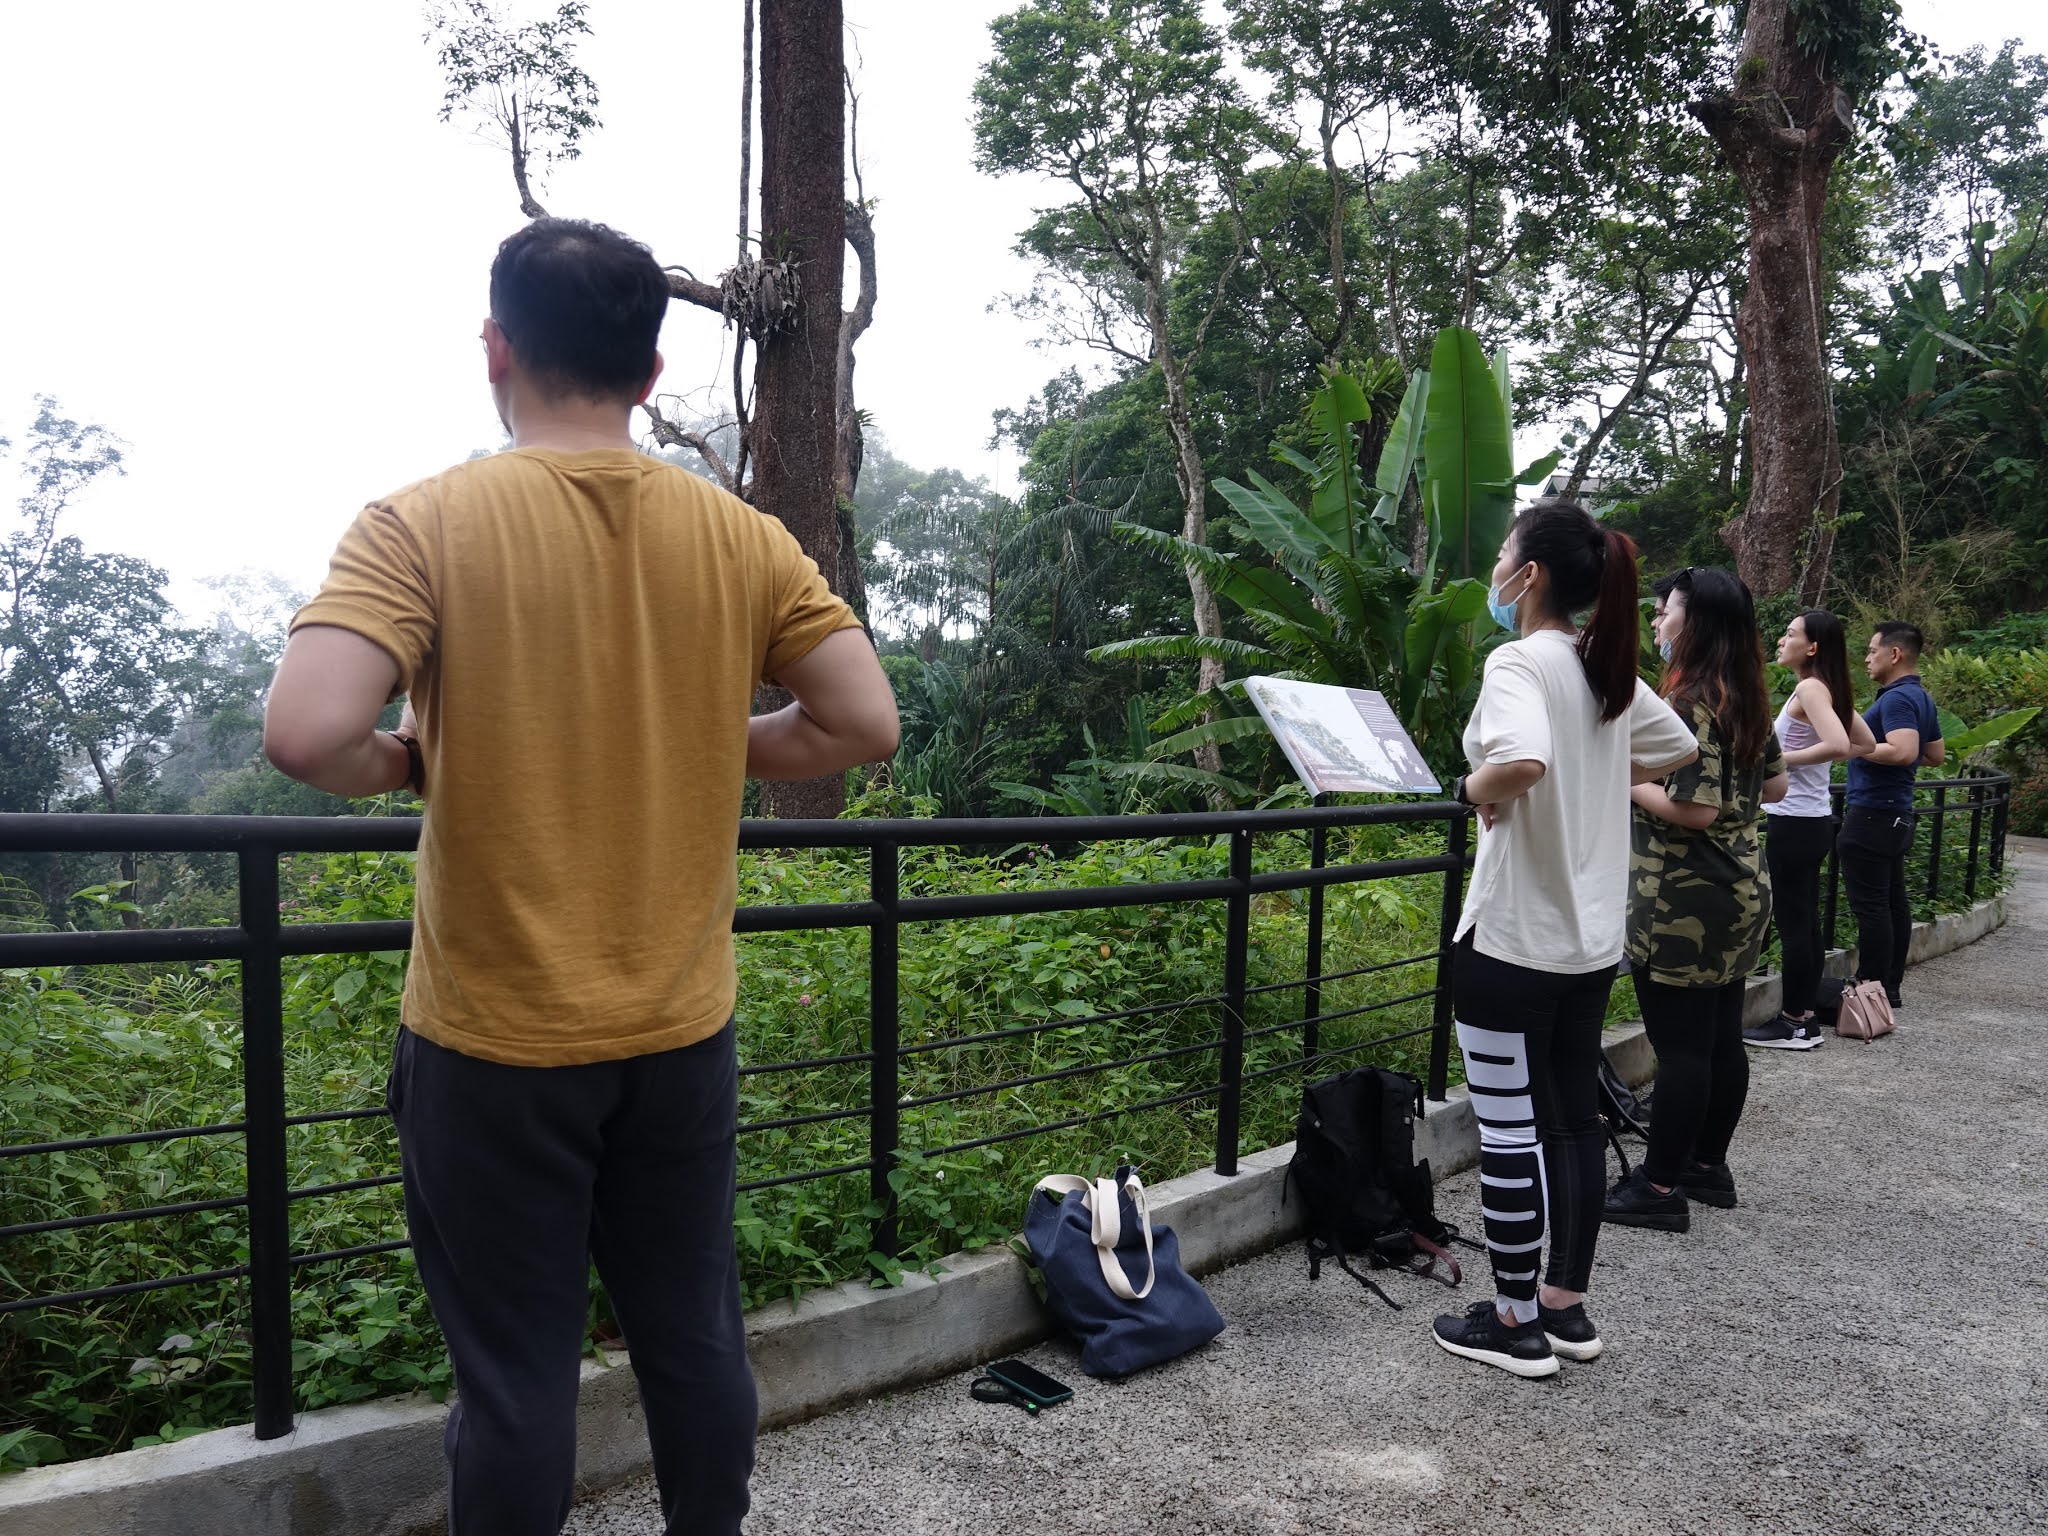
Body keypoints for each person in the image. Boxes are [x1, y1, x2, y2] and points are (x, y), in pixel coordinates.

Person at [263, 218, 900, 1536]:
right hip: (680, 1034)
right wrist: (694, 734)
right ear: (654, 372)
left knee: (514, 1383)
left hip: (491, 1045)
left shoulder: (422, 523)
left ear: (496, 348)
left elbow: (309, 732)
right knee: (693, 1339)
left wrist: (417, 759)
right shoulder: (740, 538)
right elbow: (860, 725)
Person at [1430, 501, 1697, 1380]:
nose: (1497, 572)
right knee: (1574, 1126)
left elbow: (1522, 764)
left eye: (1504, 555)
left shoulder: (1519, 660)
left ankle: (1509, 1322)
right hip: (1587, 946)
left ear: (1530, 575)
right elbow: (1680, 745)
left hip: (1509, 943)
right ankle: (1563, 1309)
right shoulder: (1602, 667)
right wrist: (1593, 772)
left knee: (1509, 1135)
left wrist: (1477, 786)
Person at [1604, 567, 1786, 1235]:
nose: (1657, 621)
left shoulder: (1687, 702)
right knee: (1717, 1038)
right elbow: (1775, 789)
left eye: (1666, 611)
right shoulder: (1749, 694)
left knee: (1680, 1049)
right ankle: (1707, 1166)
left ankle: (1656, 1185)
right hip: (1741, 891)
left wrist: (1624, 780)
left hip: (1681, 896)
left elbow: (1694, 810)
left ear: (1696, 623)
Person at [1748, 610, 1875, 1049]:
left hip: (1796, 821)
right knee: (1805, 921)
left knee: (1794, 922)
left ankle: (1796, 1021)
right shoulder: (1825, 688)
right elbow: (1866, 744)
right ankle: (1801, 1018)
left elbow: (1842, 745)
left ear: (1813, 647)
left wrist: (1775, 763)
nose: (1782, 640)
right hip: (1811, 819)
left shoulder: (1809, 687)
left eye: (1790, 634)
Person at [1838, 621, 1944, 1012]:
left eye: (1871, 651)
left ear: (1894, 654)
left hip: (1872, 814)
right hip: (1896, 814)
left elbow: (1903, 751)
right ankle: (1888, 990)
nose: (1867, 658)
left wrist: (1852, 748)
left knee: (1873, 909)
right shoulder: (1920, 697)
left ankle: (1869, 989)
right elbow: (1934, 754)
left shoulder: (1897, 699)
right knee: (1893, 905)